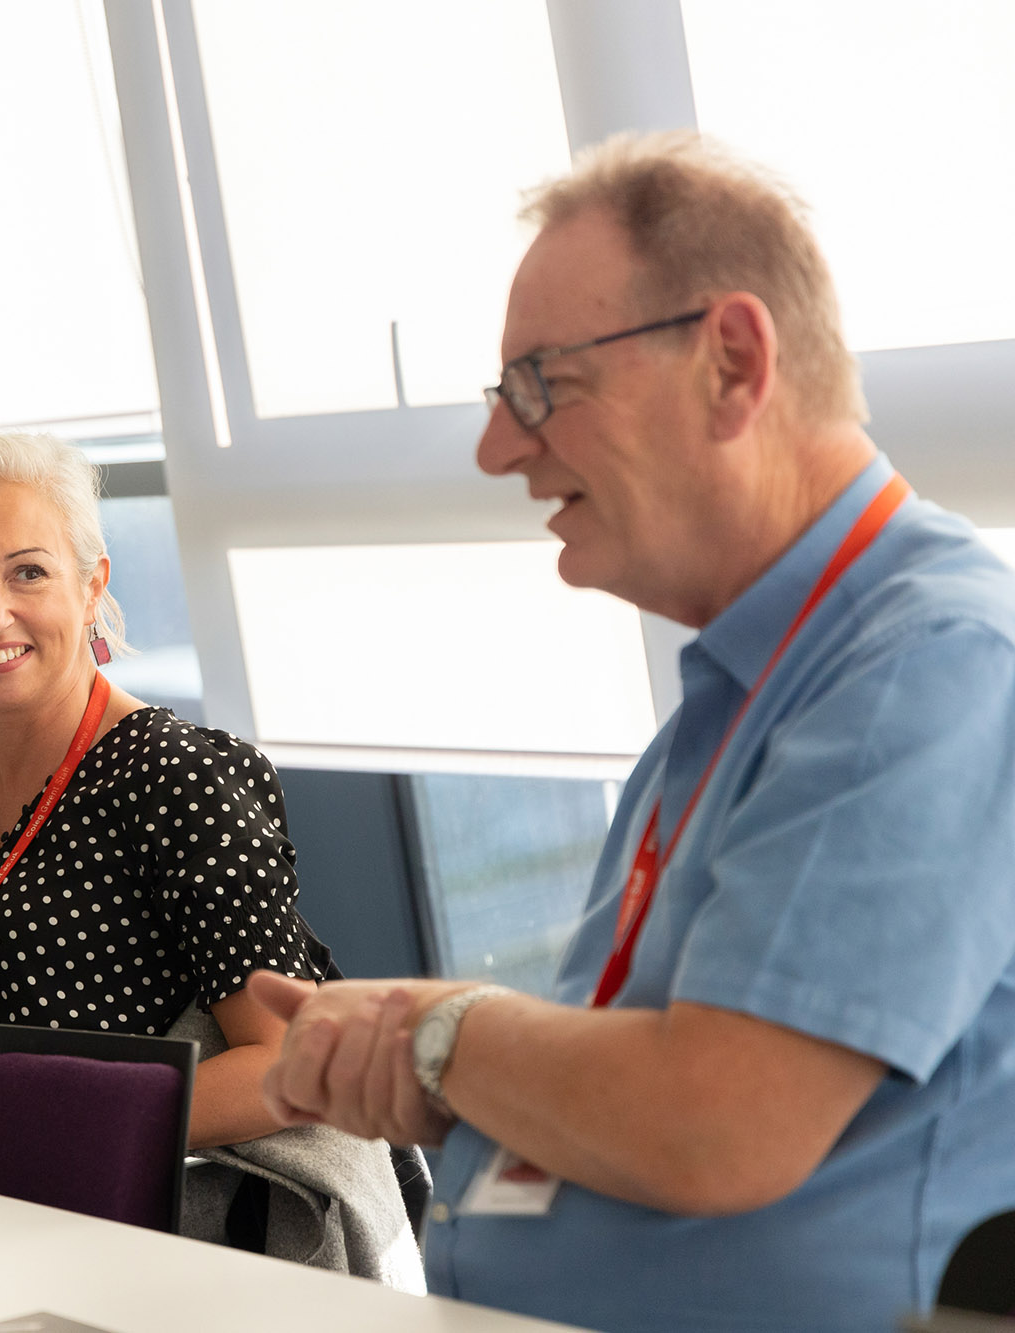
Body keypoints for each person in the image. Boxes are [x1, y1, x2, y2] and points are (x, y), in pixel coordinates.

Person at [248, 131, 1015, 1332]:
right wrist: (435, 1068)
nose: (497, 447)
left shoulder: (929, 661)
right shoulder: (733, 697)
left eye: (541, 382)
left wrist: (448, 1033)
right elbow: (649, 1091)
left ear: (731, 361)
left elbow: (717, 1124)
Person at [0, 430, 332, 1155]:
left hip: (114, 1217)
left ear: (91, 585)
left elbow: (293, 1061)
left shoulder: (176, 777)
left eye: (27, 572)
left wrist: (59, 1138)